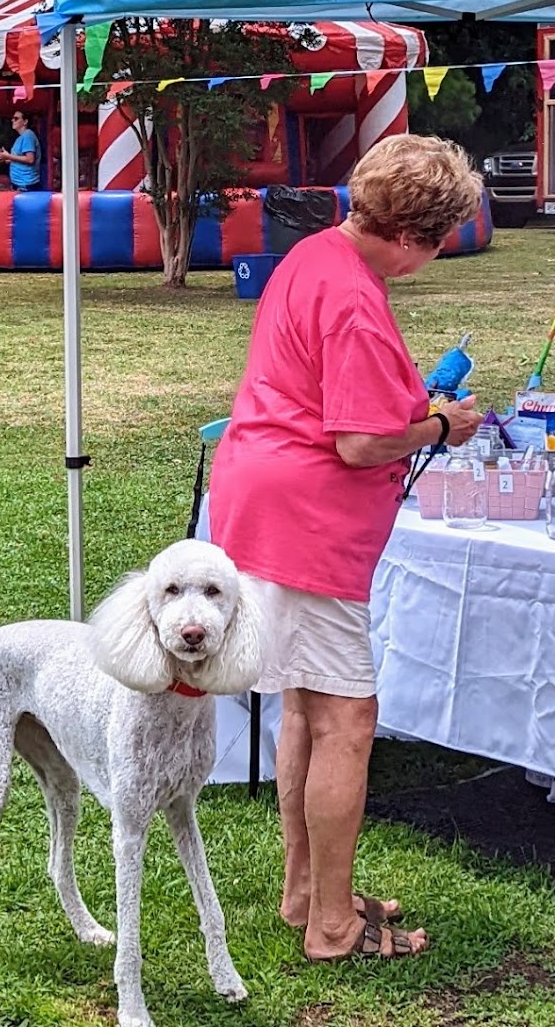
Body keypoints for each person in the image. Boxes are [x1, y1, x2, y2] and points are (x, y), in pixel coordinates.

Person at [208, 135, 486, 965]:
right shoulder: (361, 302)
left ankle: (308, 890)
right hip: (308, 521)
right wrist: (441, 424)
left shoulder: (315, 254)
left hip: (260, 496)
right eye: (440, 243)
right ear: (418, 236)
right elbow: (364, 444)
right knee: (346, 722)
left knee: (302, 702)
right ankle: (333, 925)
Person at [0, 108, 42, 189]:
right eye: (12, 118)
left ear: (25, 121)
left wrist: (8, 156)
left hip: (27, 185)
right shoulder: (20, 138)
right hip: (20, 184)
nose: (12, 120)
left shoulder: (28, 135)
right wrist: (3, 159)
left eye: (16, 118)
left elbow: (30, 159)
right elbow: (18, 159)